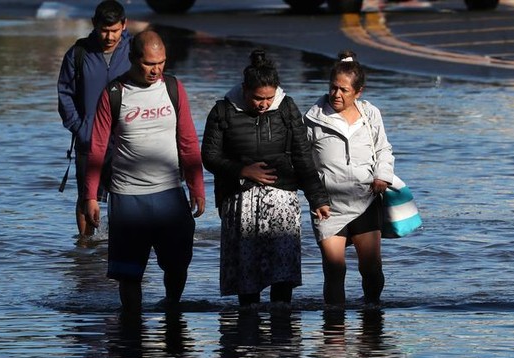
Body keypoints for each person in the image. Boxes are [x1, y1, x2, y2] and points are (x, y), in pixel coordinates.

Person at [84, 30, 206, 316]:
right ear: (132, 59)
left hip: (169, 194)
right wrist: (90, 196)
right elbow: (98, 148)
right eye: (149, 63)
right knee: (129, 274)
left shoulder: (173, 88)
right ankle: (132, 330)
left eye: (161, 62)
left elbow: (188, 141)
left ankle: (172, 312)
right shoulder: (114, 94)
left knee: (178, 265)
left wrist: (197, 186)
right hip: (127, 197)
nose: (156, 70)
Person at [201, 49, 330, 308]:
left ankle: (282, 331)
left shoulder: (286, 108)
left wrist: (317, 198)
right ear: (245, 90)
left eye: (269, 98)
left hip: (282, 199)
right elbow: (209, 156)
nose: (263, 104)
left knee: (282, 273)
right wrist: (242, 170)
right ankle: (247, 332)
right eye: (258, 98)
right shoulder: (223, 111)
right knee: (246, 276)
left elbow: (302, 155)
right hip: (240, 203)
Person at [303, 50, 395, 307]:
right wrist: (314, 195)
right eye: (333, 88)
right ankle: (334, 328)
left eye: (344, 90)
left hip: (365, 201)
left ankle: (372, 313)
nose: (337, 94)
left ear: (358, 92)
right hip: (327, 207)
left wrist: (382, 176)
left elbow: (384, 150)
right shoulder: (312, 118)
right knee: (334, 269)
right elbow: (302, 162)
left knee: (371, 269)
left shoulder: (371, 115)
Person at [57, 0, 131, 240]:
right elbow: (65, 94)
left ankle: (125, 246)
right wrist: (80, 129)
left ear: (124, 25)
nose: (109, 36)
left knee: (128, 197)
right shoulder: (78, 54)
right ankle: (86, 251)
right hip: (88, 141)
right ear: (94, 25)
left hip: (127, 140)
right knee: (86, 197)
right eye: (104, 30)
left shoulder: (134, 51)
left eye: (114, 30)